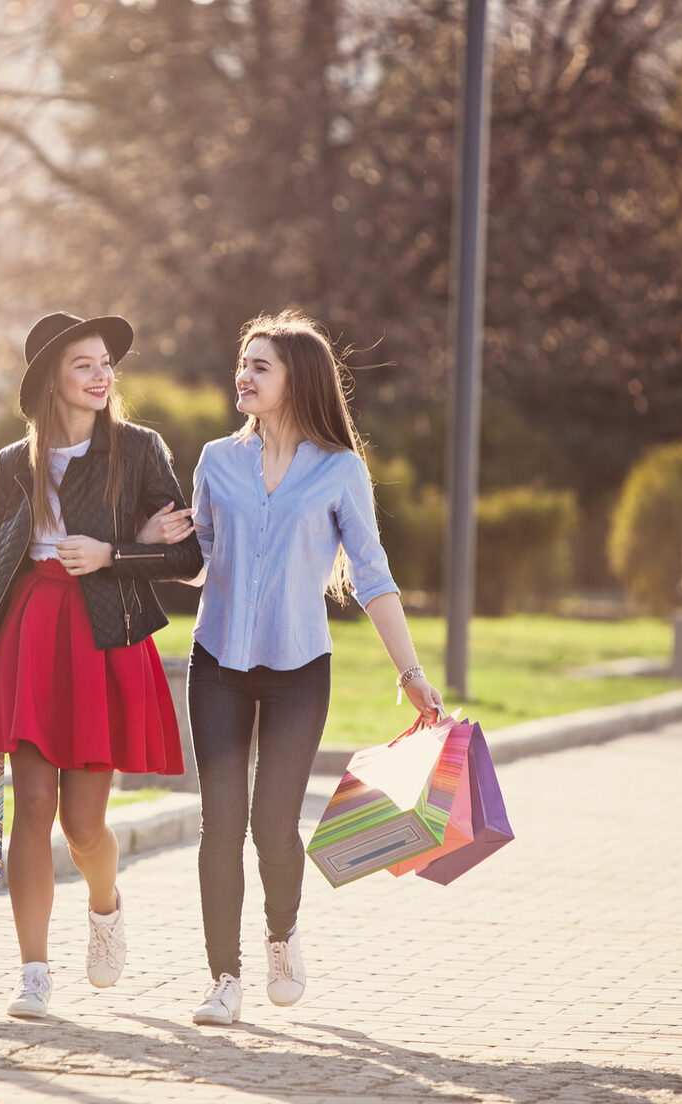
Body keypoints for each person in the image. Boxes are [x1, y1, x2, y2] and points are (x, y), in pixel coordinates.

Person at [140, 311, 445, 1026]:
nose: (243, 376)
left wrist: (411, 672)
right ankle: (223, 979)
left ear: (295, 379)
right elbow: (202, 564)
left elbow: (372, 576)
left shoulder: (340, 470)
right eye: (242, 362)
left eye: (260, 366)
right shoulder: (217, 459)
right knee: (220, 824)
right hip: (216, 660)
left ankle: (281, 936)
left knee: (273, 828)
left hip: (298, 668)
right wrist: (155, 544)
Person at [0, 311, 203, 1019]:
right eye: (84, 363)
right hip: (30, 636)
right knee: (33, 807)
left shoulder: (139, 450)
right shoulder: (17, 462)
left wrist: (116, 552)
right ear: (52, 378)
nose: (102, 374)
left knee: (82, 827)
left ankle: (105, 907)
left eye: (106, 362)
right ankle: (32, 971)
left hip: (102, 640)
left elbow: (187, 557)